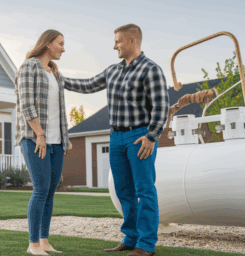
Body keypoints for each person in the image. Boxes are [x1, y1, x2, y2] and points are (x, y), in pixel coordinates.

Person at [63, 24, 169, 256]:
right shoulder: (112, 71)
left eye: (118, 41)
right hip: (116, 137)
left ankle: (146, 245)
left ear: (132, 40)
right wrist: (60, 79)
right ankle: (131, 238)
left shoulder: (151, 69)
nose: (114, 46)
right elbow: (88, 85)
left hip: (139, 136)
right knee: (123, 191)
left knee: (144, 190)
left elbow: (161, 106)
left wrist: (151, 136)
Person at [14, 29, 72, 256]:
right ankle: (33, 244)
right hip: (35, 139)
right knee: (40, 189)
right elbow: (26, 104)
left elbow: (60, 110)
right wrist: (39, 134)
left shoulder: (56, 72)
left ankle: (44, 241)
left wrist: (65, 139)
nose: (63, 49)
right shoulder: (29, 67)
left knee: (49, 192)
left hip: (56, 142)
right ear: (48, 43)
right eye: (60, 43)